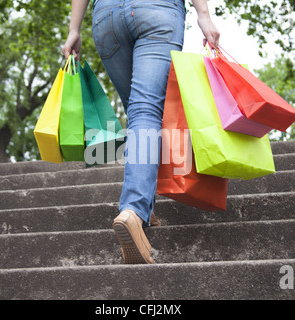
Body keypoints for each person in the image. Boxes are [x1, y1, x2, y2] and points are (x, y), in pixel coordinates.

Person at [62, 0, 220, 264]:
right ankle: (133, 210)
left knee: (139, 111)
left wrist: (73, 30)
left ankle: (145, 204)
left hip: (107, 16)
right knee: (145, 111)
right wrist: (203, 13)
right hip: (156, 11)